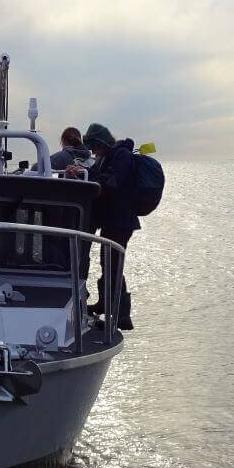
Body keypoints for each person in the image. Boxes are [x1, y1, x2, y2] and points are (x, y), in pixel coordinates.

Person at [73, 123, 138, 330]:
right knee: (107, 262)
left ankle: (121, 315)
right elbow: (96, 176)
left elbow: (111, 181)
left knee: (114, 264)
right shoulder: (106, 157)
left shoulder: (121, 156)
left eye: (93, 145)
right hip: (112, 220)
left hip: (120, 220)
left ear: (102, 142)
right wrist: (80, 173)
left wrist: (87, 175)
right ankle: (106, 305)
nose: (92, 150)